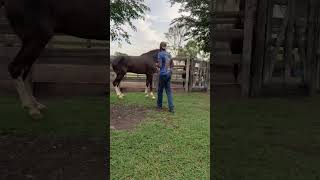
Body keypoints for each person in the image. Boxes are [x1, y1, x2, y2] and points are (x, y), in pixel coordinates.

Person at [156, 42, 174, 113]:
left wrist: (156, 64)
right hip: (168, 74)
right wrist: (170, 71)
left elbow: (160, 65)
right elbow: (172, 64)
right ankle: (171, 107)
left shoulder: (160, 54)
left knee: (160, 90)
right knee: (169, 91)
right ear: (165, 47)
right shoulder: (169, 54)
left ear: (160, 47)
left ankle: (159, 105)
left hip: (162, 74)